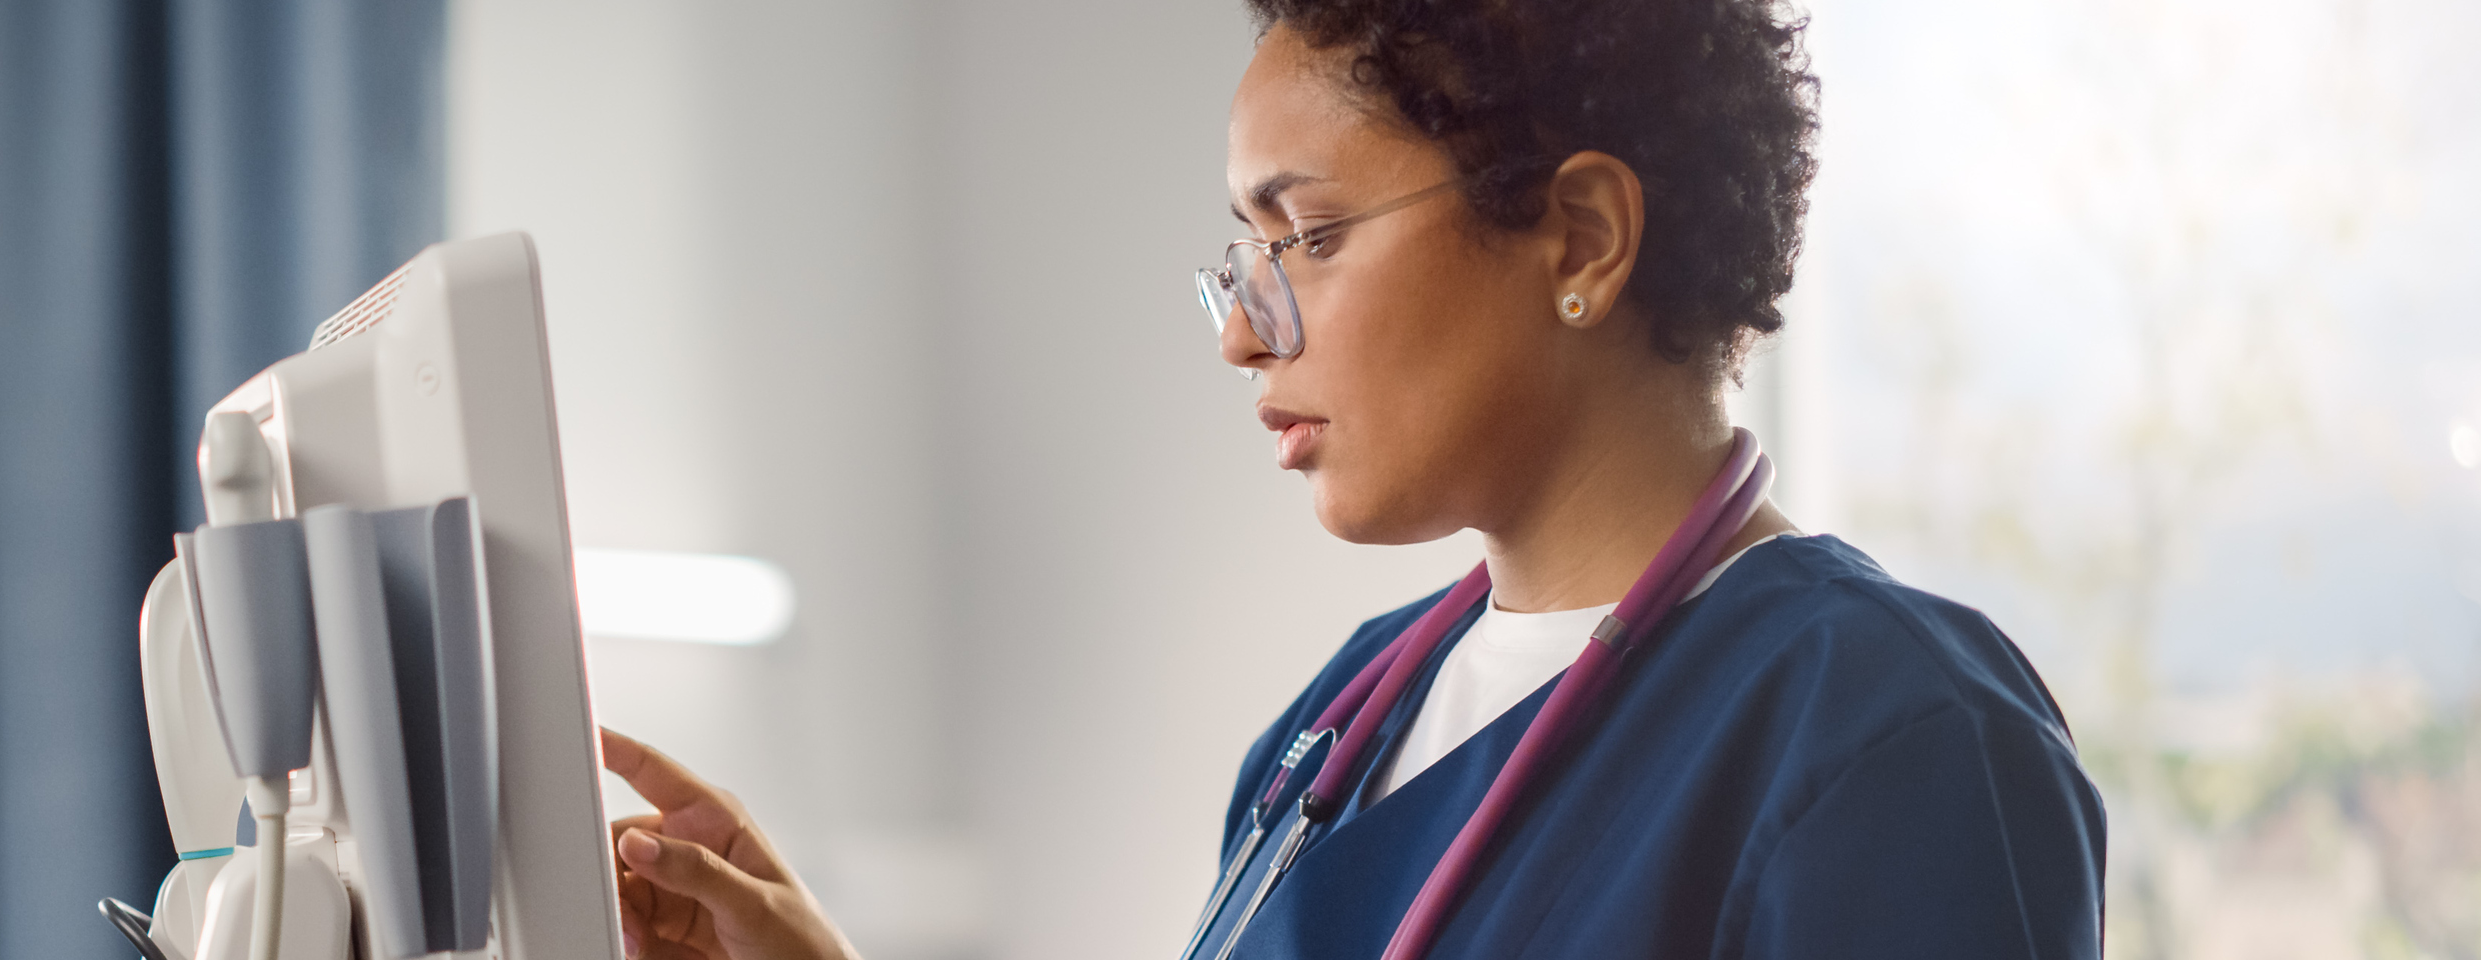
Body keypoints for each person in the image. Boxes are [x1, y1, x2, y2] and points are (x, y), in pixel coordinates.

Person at [596, 0, 2107, 957]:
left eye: (1306, 236)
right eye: (1240, 260)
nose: (1246, 334)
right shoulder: (1333, 726)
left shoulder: (1891, 738)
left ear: (1579, 239)